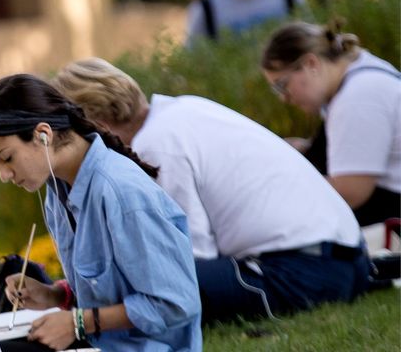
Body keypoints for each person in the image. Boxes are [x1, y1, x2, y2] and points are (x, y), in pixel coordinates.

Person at [54, 58, 368, 324]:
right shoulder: (180, 110)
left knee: (159, 290)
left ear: (98, 125)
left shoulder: (157, 147)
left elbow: (188, 259)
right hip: (347, 258)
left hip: (307, 271)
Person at [0, 74, 201, 351]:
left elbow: (177, 303)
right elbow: (107, 290)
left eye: (7, 158)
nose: (3, 175)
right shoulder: (57, 191)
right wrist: (54, 295)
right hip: (97, 342)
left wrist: (78, 323)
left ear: (43, 135)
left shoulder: (121, 192)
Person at [262, 22, 401, 227]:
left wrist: (278, 190)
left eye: (282, 85)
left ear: (311, 64)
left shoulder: (358, 97)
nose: (284, 98)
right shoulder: (360, 74)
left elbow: (351, 192)